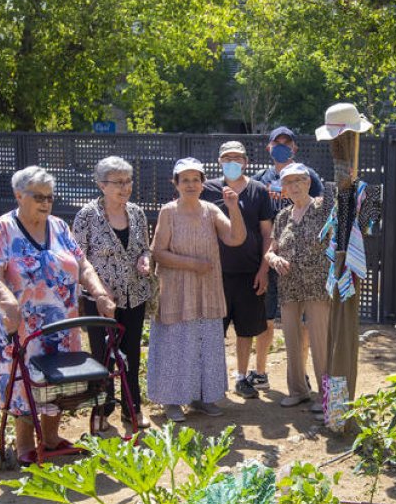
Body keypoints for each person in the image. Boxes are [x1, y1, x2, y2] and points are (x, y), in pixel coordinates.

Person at [0, 166, 116, 466]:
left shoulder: (58, 227)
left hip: (62, 320)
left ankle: (52, 438)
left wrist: (101, 294)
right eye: (38, 196)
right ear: (19, 195)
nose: (45, 202)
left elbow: (82, 266)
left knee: (59, 380)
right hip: (22, 323)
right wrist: (8, 303)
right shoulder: (2, 229)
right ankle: (25, 445)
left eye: (50, 197)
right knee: (24, 380)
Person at [149, 158, 245, 422]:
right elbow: (158, 252)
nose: (191, 184)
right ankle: (171, 402)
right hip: (176, 292)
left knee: (205, 344)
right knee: (175, 346)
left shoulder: (210, 211)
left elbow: (236, 238)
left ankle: (202, 398)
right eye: (185, 180)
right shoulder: (168, 212)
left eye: (195, 179)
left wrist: (234, 207)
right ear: (175, 183)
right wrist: (192, 264)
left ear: (203, 184)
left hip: (207, 290)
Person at [72, 156, 155, 430]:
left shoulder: (137, 213)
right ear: (101, 184)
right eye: (118, 182)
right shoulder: (86, 216)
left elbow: (145, 248)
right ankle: (101, 411)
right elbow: (77, 258)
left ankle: (133, 410)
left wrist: (146, 259)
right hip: (100, 299)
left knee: (131, 352)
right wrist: (98, 288)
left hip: (134, 295)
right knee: (102, 356)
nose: (125, 187)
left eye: (128, 180)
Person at [317, 103, 382, 409]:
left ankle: (339, 410)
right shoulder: (332, 189)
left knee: (342, 339)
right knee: (336, 338)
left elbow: (367, 229)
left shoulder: (367, 191)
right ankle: (336, 408)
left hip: (349, 269)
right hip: (338, 267)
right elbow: (334, 232)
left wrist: (352, 195)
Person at [201, 141, 275, 399]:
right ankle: (211, 380)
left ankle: (242, 377)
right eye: (226, 158)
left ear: (245, 161)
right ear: (220, 161)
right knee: (213, 330)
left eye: (237, 158)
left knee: (246, 330)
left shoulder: (259, 192)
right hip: (214, 274)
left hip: (249, 273)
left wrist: (263, 269)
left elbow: (268, 234)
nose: (232, 162)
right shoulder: (208, 189)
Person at [252, 126, 324, 387]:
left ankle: (305, 378)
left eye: (287, 142)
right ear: (269, 147)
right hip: (274, 264)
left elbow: (328, 213)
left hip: (311, 273)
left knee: (311, 329)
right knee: (269, 320)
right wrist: (266, 261)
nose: (294, 187)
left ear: (295, 147)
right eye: (277, 142)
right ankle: (262, 373)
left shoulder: (311, 176)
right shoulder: (261, 180)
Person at [264, 163, 333, 411]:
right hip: (289, 285)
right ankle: (298, 390)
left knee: (320, 341)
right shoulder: (283, 217)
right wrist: (273, 259)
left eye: (298, 181)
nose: (293, 187)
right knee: (292, 340)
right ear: (282, 189)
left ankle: (327, 398)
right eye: (288, 183)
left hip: (317, 284)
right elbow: (271, 250)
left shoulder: (324, 208)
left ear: (308, 182)